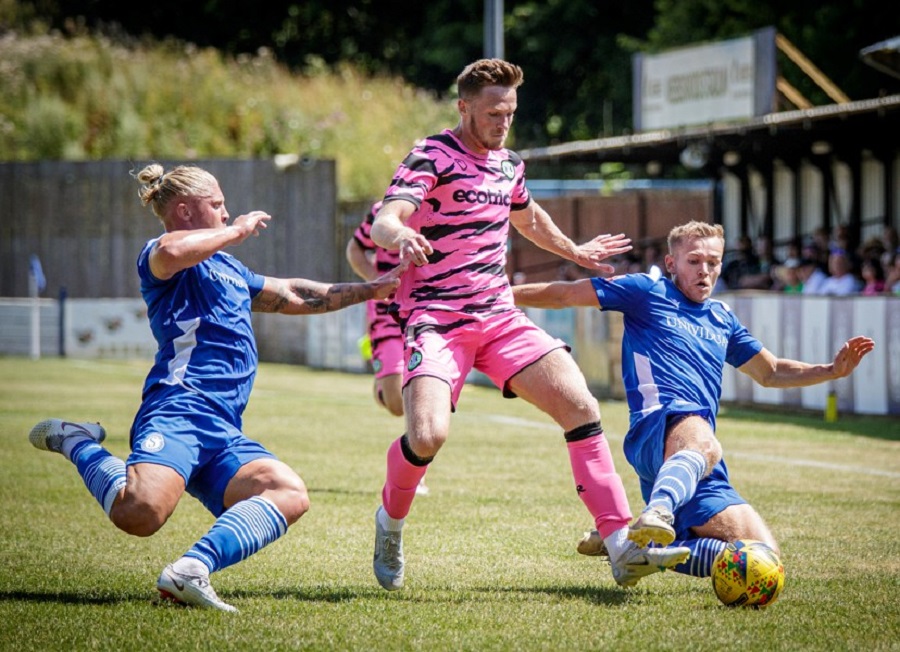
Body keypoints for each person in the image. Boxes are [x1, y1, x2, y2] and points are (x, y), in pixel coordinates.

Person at [366, 58, 689, 592]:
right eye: (493, 112)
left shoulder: (508, 164)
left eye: (510, 112)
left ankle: (619, 545)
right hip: (437, 321)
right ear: (464, 106)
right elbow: (387, 215)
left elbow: (528, 215)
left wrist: (576, 250)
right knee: (426, 435)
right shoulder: (431, 154)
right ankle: (390, 523)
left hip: (499, 316)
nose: (502, 122)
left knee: (581, 406)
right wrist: (398, 233)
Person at [28, 163, 403, 612]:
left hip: (223, 427)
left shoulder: (228, 267)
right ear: (186, 210)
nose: (227, 214)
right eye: (218, 205)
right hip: (179, 409)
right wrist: (239, 231)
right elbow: (172, 249)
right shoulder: (161, 256)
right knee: (141, 514)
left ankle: (191, 570)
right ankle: (77, 441)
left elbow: (294, 294)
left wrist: (372, 290)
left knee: (289, 493)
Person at [512, 220, 874, 580]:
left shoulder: (722, 318)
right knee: (704, 439)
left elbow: (772, 371)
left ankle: (630, 544)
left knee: (763, 560)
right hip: (657, 428)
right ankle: (659, 511)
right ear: (672, 264)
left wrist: (830, 370)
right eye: (694, 261)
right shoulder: (646, 291)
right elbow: (564, 294)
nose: (705, 270)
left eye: (713, 263)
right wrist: (498, 296)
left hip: (697, 457)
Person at [346, 200, 428, 495]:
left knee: (421, 387)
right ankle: (383, 384)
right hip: (386, 311)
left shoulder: (447, 207)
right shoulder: (382, 211)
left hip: (428, 310)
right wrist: (375, 281)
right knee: (396, 404)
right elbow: (354, 250)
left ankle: (414, 470)